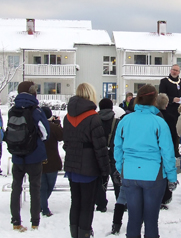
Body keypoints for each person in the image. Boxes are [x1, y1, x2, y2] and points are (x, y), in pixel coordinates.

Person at [114, 84, 178, 238]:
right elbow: (167, 153)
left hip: (129, 173)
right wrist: (172, 177)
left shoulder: (125, 120)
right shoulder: (159, 122)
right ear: (154, 100)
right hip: (153, 175)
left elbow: (118, 148)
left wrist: (120, 168)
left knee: (134, 219)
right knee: (151, 220)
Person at [63, 83, 110, 238]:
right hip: (89, 167)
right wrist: (105, 171)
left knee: (75, 202)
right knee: (87, 205)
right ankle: (84, 233)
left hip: (72, 165)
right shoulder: (93, 117)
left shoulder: (67, 117)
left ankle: (74, 233)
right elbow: (100, 147)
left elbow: (66, 143)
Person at [10, 81, 50, 232]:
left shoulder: (12, 110)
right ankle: (35, 222)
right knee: (35, 188)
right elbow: (45, 133)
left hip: (17, 155)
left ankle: (15, 221)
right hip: (34, 156)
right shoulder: (36, 111)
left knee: (16, 187)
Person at [40, 107, 63, 217]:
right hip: (52, 161)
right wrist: (58, 124)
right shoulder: (53, 127)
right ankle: (44, 207)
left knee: (42, 187)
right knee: (49, 186)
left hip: (38, 161)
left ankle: (42, 205)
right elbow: (62, 136)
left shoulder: (36, 126)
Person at [95, 98, 118, 212]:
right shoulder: (117, 122)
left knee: (100, 179)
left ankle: (101, 204)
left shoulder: (95, 121)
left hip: (99, 154)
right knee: (117, 178)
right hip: (114, 154)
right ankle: (120, 203)